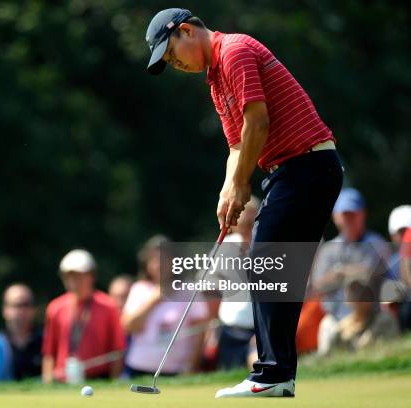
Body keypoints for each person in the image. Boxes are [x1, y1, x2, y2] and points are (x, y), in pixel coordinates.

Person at [145, 8, 344, 397]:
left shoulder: (234, 51)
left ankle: (273, 373)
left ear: (186, 31)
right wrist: (226, 190)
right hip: (292, 172)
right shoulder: (215, 79)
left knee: (266, 261)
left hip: (307, 164)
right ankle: (278, 373)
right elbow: (237, 144)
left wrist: (240, 185)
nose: (177, 65)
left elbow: (259, 122)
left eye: (172, 54)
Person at [122, 235, 209, 376]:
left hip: (177, 370)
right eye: (154, 260)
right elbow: (129, 326)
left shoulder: (189, 291)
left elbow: (200, 332)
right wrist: (154, 299)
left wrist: (192, 366)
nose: (159, 264)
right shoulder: (139, 289)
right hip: (138, 368)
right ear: (147, 264)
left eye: (164, 259)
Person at [42, 249, 126, 383]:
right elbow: (49, 352)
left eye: (79, 275)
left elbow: (117, 351)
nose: (73, 281)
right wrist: (47, 382)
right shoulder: (55, 308)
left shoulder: (108, 306)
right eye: (68, 276)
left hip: (99, 379)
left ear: (91, 276)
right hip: (63, 380)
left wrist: (114, 383)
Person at [312, 188, 389, 321]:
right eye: (344, 215)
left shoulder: (377, 243)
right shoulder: (328, 249)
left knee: (386, 321)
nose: (349, 219)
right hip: (336, 319)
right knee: (326, 328)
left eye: (353, 214)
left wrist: (339, 272)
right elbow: (318, 286)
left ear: (363, 214)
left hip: (371, 317)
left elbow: (371, 274)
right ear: (335, 217)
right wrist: (349, 272)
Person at [215, 197, 259, 370]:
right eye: (242, 216)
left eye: (251, 216)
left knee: (257, 371)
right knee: (228, 375)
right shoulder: (225, 245)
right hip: (229, 328)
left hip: (258, 330)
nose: (247, 221)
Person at [317, 273, 400, 355]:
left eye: (361, 294)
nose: (357, 298)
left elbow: (389, 349)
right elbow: (331, 356)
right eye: (353, 294)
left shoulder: (384, 320)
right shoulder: (342, 327)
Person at [1, 283, 43, 380]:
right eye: (16, 305)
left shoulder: (45, 340)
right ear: (5, 309)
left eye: (26, 305)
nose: (21, 311)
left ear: (33, 309)